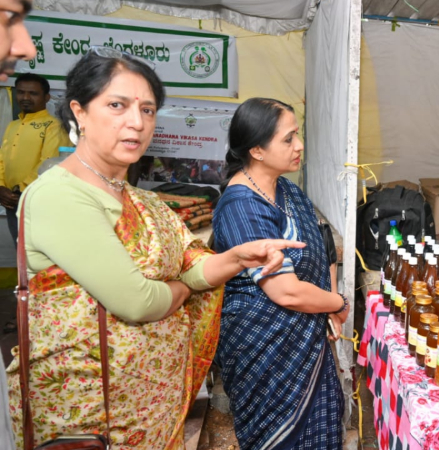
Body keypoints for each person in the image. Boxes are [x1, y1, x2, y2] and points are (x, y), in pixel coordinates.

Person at [6, 49, 303, 449]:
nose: (137, 122)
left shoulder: (142, 200)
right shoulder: (60, 196)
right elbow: (139, 302)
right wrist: (181, 290)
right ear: (79, 111)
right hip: (90, 417)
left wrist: (234, 259)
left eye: (147, 110)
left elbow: (193, 266)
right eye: (117, 105)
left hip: (151, 409)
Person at [212, 98, 347, 450]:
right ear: (256, 149)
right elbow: (285, 292)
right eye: (288, 139)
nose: (299, 146)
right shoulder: (242, 205)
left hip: (306, 339)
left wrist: (326, 304)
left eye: (297, 135)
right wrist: (337, 302)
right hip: (265, 351)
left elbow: (322, 246)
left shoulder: (287, 190)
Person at [0, 1, 36, 447]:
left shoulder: (45, 126)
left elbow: (40, 168)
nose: (25, 45)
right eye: (9, 17)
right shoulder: (12, 126)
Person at [0, 73, 71, 244]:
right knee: (21, 253)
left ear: (46, 97)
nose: (25, 97)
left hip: (36, 201)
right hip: (11, 201)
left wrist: (18, 190)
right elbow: (3, 159)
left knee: (38, 255)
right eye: (21, 92)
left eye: (33, 93)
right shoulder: (13, 125)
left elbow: (48, 162)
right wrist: (1, 187)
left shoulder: (54, 126)